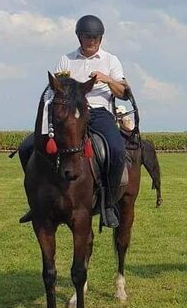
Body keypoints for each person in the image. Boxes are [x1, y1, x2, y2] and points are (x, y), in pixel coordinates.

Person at [18, 14, 128, 228]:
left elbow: (123, 92)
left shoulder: (111, 60)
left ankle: (108, 203)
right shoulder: (66, 60)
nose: (92, 41)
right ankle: (36, 201)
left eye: (97, 37)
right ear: (79, 37)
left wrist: (107, 79)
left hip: (98, 112)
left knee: (116, 149)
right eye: (88, 37)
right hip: (68, 115)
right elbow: (56, 89)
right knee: (26, 147)